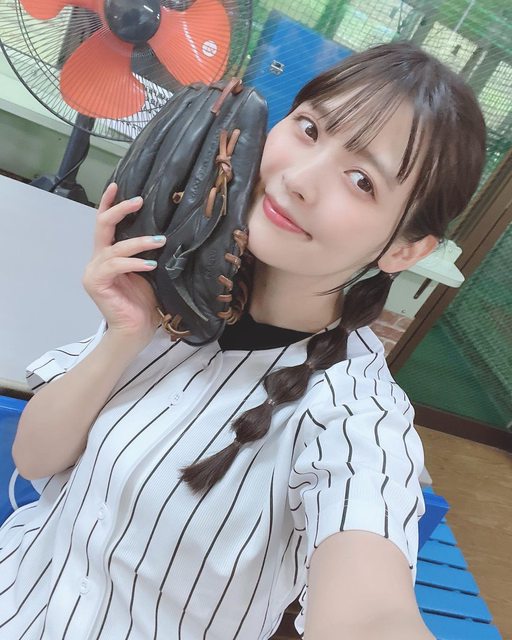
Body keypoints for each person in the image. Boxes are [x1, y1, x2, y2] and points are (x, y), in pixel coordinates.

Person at [1, 42, 485, 640]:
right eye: (309, 129)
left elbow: (373, 612)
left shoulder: (357, 418)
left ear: (406, 250)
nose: (299, 179)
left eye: (362, 180)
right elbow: (33, 459)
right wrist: (125, 335)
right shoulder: (171, 278)